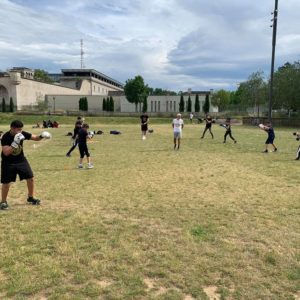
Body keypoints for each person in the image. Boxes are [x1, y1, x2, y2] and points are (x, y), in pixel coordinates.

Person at [0, 120, 51, 210]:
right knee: (6, 183)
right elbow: (6, 152)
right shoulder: (6, 137)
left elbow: (35, 138)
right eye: (18, 129)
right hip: (8, 162)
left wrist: (42, 136)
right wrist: (15, 143)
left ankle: (30, 197)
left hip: (21, 160)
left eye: (21, 129)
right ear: (12, 128)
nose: (20, 131)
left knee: (30, 178)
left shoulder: (21, 133)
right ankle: (3, 202)